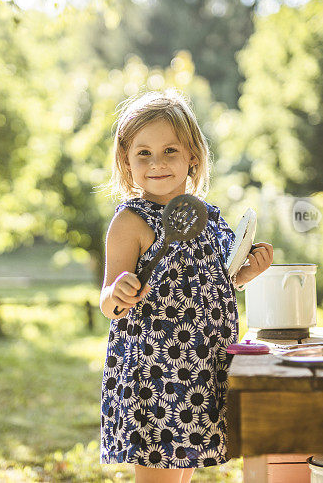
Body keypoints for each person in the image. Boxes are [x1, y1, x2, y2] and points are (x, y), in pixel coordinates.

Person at [99, 89, 273, 482]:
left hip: (201, 369)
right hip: (155, 375)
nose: (156, 163)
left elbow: (222, 278)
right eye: (143, 153)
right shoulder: (132, 221)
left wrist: (247, 273)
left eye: (170, 151)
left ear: (192, 155)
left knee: (182, 474)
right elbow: (108, 302)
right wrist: (119, 293)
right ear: (126, 162)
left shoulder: (209, 217)